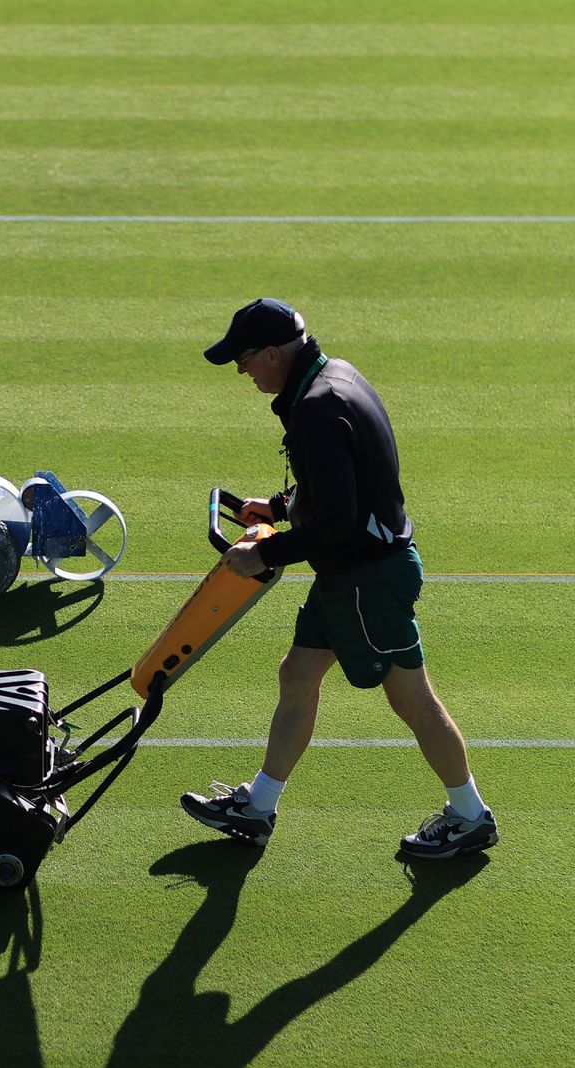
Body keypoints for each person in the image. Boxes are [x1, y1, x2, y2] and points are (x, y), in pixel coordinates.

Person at [180, 299, 498, 858]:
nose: (242, 370)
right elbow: (337, 486)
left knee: (411, 698)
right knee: (298, 674)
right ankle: (257, 806)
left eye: (245, 359)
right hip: (350, 573)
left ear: (274, 354)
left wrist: (268, 551)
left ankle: (470, 816)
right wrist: (277, 507)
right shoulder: (333, 377)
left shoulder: (317, 412)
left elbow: (338, 518)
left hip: (367, 578)